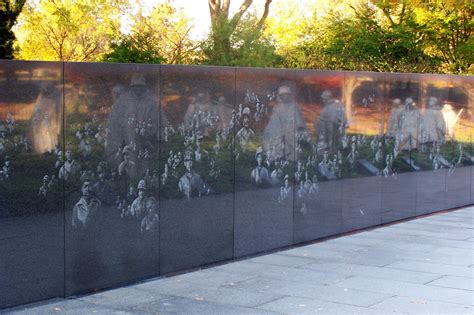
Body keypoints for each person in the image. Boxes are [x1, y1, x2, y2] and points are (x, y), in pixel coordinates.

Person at [263, 85, 306, 161]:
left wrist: (298, 130)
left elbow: (299, 122)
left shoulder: (294, 106)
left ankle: (291, 160)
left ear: (289, 95)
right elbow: (273, 123)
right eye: (282, 95)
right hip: (279, 134)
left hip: (292, 134)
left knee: (293, 154)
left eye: (286, 94)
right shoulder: (277, 108)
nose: (284, 97)